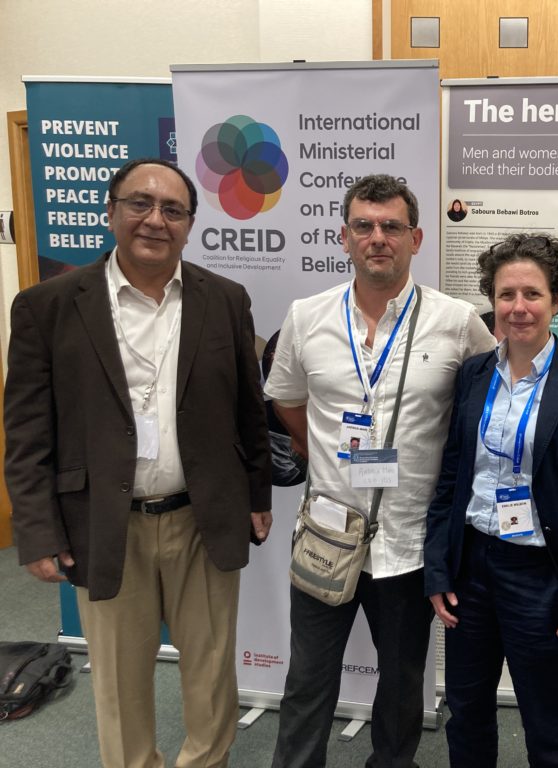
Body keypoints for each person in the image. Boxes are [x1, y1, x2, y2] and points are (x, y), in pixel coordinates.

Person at [4, 157, 273, 768]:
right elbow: (26, 429)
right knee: (120, 681)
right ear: (111, 212)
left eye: (173, 210)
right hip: (104, 523)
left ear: (190, 224)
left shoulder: (224, 299)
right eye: (140, 204)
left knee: (211, 672)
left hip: (202, 518)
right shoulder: (48, 306)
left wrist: (258, 494)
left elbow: (247, 409)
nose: (155, 220)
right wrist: (37, 529)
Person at [265, 174, 494, 768]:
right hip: (328, 534)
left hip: (411, 542)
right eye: (363, 226)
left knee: (402, 683)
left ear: (415, 238)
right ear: (343, 236)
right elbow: (286, 399)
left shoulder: (458, 321)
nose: (377, 238)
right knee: (307, 680)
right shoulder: (307, 316)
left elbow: (490, 406)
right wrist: (320, 454)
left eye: (392, 226)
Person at [424, 233, 558, 767]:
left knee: (547, 724)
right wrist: (439, 568)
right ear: (492, 300)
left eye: (532, 294)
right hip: (471, 571)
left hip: (543, 579)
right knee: (466, 713)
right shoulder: (473, 375)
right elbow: (451, 478)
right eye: (506, 294)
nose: (518, 307)